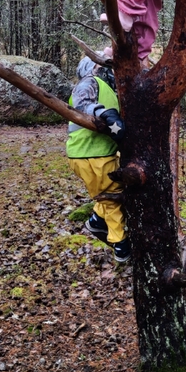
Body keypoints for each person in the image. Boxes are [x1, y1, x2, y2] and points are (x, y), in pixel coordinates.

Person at [66, 56, 131, 263]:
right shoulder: (89, 82)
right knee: (113, 197)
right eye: (100, 63)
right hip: (94, 155)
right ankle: (120, 244)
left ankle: (96, 220)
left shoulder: (108, 87)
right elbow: (83, 103)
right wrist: (105, 114)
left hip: (89, 154)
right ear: (92, 67)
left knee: (105, 192)